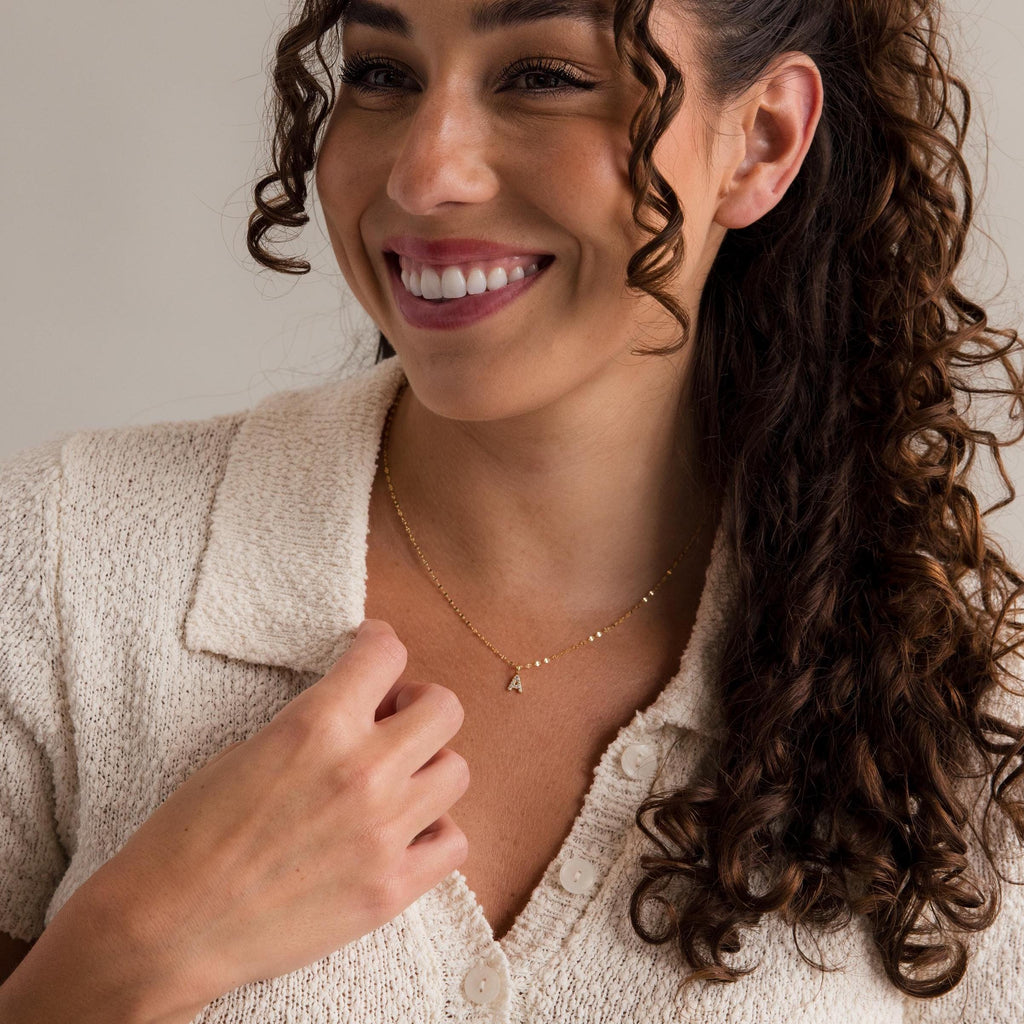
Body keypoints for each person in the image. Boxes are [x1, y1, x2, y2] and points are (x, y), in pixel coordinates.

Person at [1, 0, 1022, 1020]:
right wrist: (137, 947)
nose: (421, 173)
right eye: (382, 74)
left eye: (542, 76)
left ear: (760, 139)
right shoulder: (61, 564)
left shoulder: (966, 718)